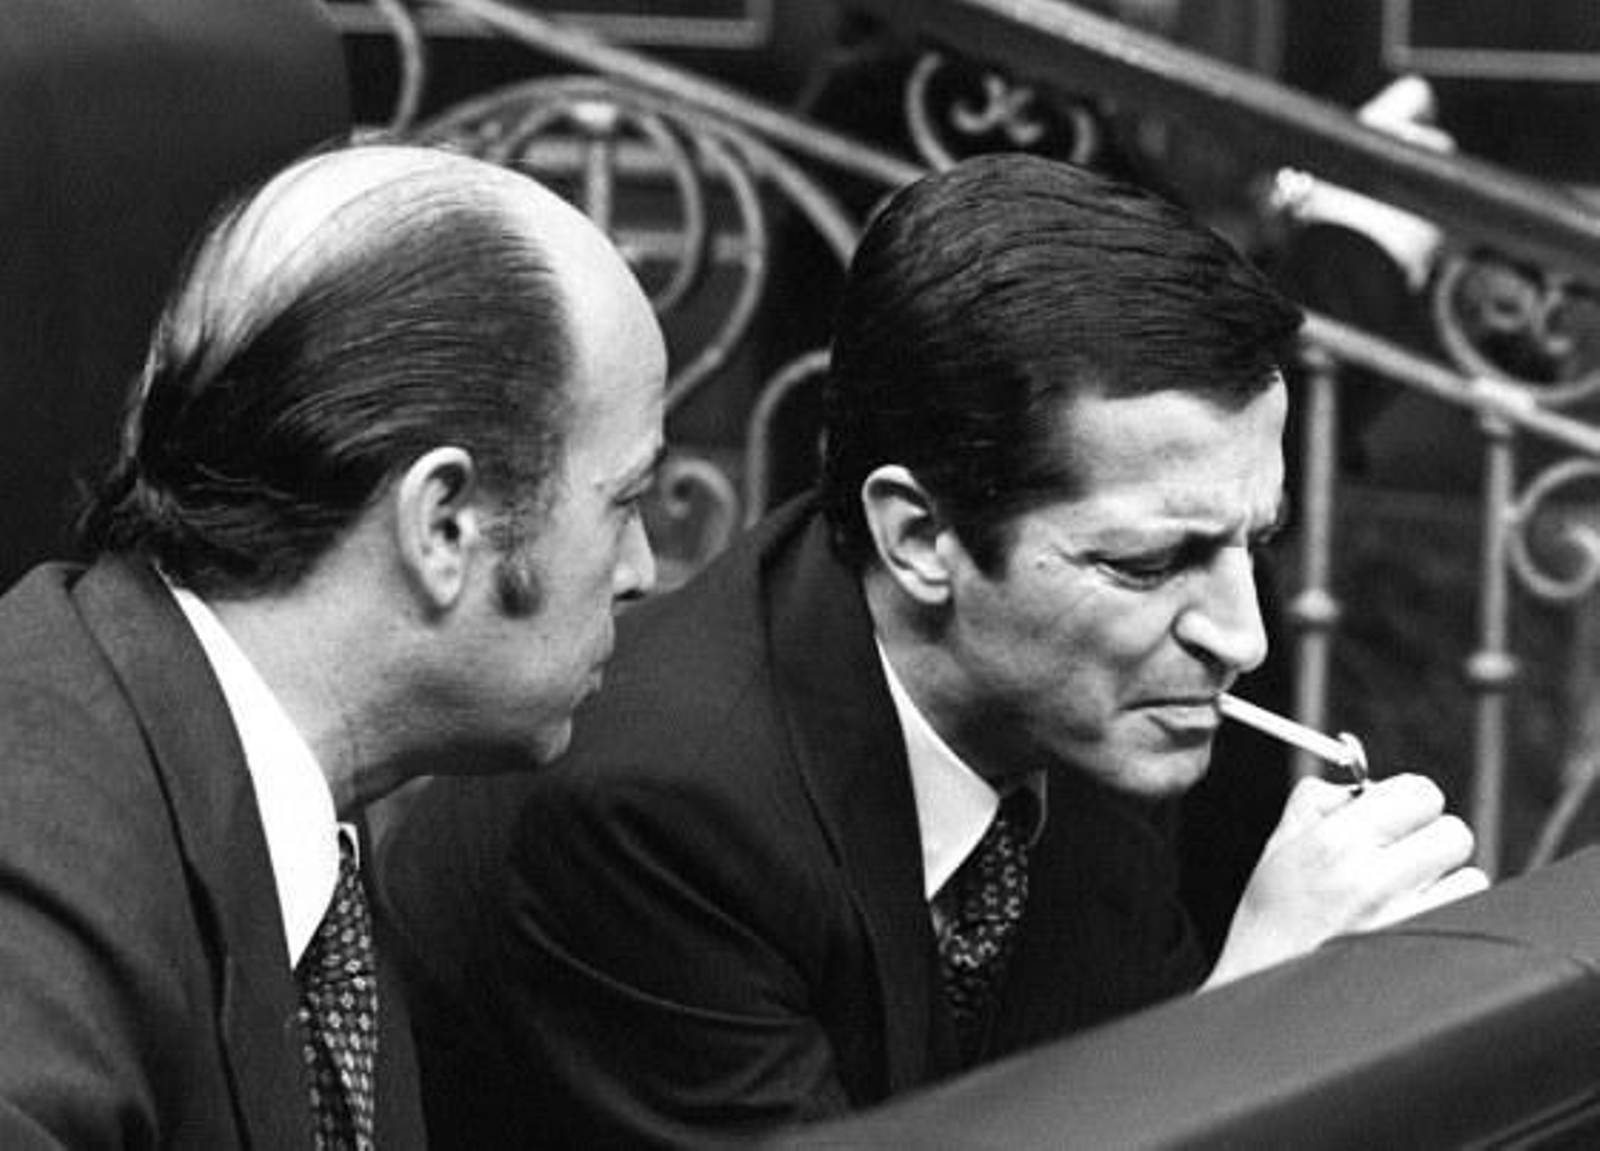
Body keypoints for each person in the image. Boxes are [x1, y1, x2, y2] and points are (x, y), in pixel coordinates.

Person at [377, 153, 1485, 1148]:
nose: (1238, 636)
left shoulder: (1088, 708)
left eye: (1256, 542)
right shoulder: (654, 809)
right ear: (917, 538)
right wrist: (1248, 1021)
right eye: (1150, 563)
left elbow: (1078, 1087)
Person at [0, 141, 666, 1148]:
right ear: (444, 525)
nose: (642, 568)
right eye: (625, 500)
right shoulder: (40, 846)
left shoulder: (278, 807)